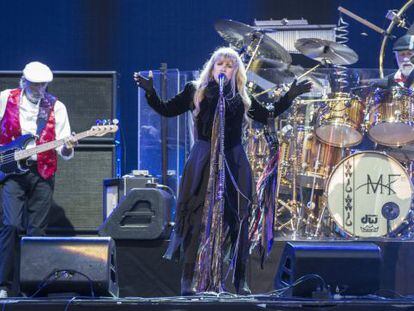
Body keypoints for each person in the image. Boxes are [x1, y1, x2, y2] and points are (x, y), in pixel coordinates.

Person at [134, 47, 311, 295]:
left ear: (236, 70)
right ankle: (189, 279)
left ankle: (240, 281)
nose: (224, 68)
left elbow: (267, 114)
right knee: (196, 217)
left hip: (234, 158)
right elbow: (166, 109)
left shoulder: (241, 96)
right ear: (212, 67)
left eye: (229, 65)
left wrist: (290, 96)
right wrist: (150, 92)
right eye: (220, 64)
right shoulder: (195, 91)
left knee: (239, 217)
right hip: (204, 158)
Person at [0, 61, 77, 298]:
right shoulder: (5, 98)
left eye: (42, 85)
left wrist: (68, 147)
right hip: (12, 171)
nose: (39, 89)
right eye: (34, 85)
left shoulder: (56, 107)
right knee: (11, 224)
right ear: (24, 82)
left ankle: (30, 285)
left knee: (36, 230)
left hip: (42, 171)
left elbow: (64, 150)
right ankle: (3, 284)